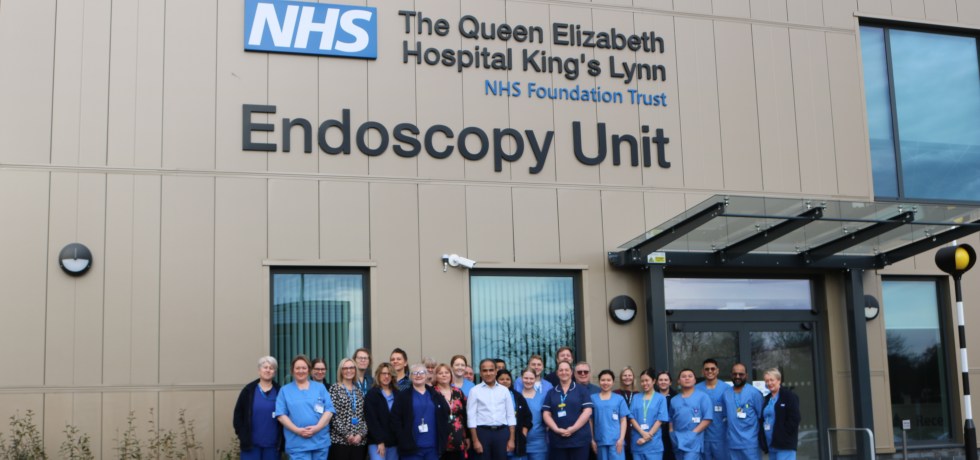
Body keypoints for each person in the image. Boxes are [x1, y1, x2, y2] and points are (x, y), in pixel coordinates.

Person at [275, 354, 335, 459]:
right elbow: (281, 415)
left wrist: (317, 428)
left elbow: (329, 411)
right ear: (292, 370)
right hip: (297, 443)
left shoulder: (320, 388)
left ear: (309, 370)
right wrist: (297, 430)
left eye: (304, 368)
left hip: (319, 441)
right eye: (297, 368)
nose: (301, 371)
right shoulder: (285, 390)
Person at [392, 364, 451, 460]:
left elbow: (445, 415)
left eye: (421, 372)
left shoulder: (436, 395)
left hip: (433, 448)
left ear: (427, 375)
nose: (418, 375)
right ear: (410, 377)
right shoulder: (403, 396)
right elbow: (395, 420)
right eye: (414, 373)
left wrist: (444, 437)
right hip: (410, 449)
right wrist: (402, 438)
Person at [233, 356, 284, 459]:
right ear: (259, 370)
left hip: (272, 447)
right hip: (251, 446)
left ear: (274, 372)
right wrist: (242, 435)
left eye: (271, 368)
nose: (268, 370)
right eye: (265, 367)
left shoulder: (280, 391)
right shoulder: (248, 390)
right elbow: (238, 414)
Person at [542, 361, 593, 460]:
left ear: (571, 372)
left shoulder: (582, 390)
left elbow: (587, 411)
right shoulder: (551, 392)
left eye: (566, 370)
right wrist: (556, 429)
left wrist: (573, 428)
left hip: (579, 439)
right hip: (558, 440)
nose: (563, 372)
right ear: (557, 373)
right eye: (561, 370)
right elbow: (546, 414)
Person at [467, 359, 517, 460]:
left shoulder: (504, 390)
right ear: (480, 373)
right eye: (485, 370)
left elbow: (510, 415)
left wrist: (512, 439)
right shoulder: (474, 391)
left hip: (501, 433)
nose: (488, 373)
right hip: (482, 433)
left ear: (496, 372)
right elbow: (471, 417)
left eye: (491, 370)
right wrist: (475, 440)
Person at [330, 358, 369, 460]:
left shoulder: (359, 392)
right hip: (340, 441)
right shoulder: (335, 389)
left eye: (351, 368)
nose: (349, 370)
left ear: (355, 370)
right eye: (345, 368)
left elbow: (365, 416)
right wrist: (347, 435)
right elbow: (333, 416)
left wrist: (361, 435)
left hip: (359, 442)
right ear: (341, 371)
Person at [668, 369, 711, 460]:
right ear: (679, 381)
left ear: (695, 380)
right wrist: (671, 433)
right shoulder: (674, 400)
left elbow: (707, 419)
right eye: (683, 376)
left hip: (693, 441)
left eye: (690, 376)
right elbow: (671, 419)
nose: (687, 378)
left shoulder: (703, 397)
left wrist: (693, 434)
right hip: (677, 440)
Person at [724, 363, 763, 460]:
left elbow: (762, 417)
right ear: (731, 375)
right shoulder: (725, 394)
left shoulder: (755, 393)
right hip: (732, 444)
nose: (737, 377)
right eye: (735, 374)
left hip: (750, 445)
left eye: (741, 374)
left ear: (746, 375)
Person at [628, 369, 669, 460]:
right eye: (642, 381)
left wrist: (646, 437)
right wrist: (642, 433)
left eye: (647, 380)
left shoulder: (661, 398)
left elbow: (660, 420)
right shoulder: (636, 397)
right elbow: (631, 417)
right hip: (637, 441)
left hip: (653, 443)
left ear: (654, 381)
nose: (644, 383)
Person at [693, 359, 730, 460]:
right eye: (707, 369)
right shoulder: (696, 389)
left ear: (717, 370)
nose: (710, 371)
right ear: (703, 371)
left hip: (721, 437)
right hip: (702, 437)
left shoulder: (727, 389)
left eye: (712, 369)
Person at [761, 368, 800, 460]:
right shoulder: (767, 398)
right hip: (771, 444)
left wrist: (784, 435)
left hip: (784, 445)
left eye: (772, 380)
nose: (769, 383)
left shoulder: (789, 396)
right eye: (767, 381)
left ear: (779, 380)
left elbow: (795, 418)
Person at [590, 370, 629, 460]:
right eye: (603, 380)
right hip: (600, 440)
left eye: (608, 380)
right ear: (599, 381)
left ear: (613, 382)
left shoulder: (619, 399)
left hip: (616, 441)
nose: (605, 382)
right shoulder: (593, 398)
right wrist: (592, 440)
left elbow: (623, 420)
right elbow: (590, 420)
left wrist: (621, 439)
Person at [433, 363, 469, 460]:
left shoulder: (458, 392)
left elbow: (465, 415)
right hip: (440, 440)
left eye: (446, 372)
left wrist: (468, 437)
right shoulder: (432, 393)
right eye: (440, 373)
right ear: (435, 376)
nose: (444, 375)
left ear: (451, 375)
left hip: (459, 439)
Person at [365, 363, 399, 460]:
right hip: (376, 442)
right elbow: (371, 420)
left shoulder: (398, 394)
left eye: (389, 374)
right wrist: (380, 441)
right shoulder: (372, 394)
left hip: (394, 442)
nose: (386, 376)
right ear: (378, 375)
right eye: (383, 373)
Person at [496, 369, 532, 460]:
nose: (505, 381)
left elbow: (527, 416)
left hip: (517, 440)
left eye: (508, 379)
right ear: (496, 380)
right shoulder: (491, 397)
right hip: (498, 437)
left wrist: (523, 433)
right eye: (501, 379)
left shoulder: (518, 396)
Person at [518, 368, 548, 460]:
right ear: (521, 378)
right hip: (519, 442)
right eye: (526, 378)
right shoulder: (516, 396)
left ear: (535, 379)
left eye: (531, 378)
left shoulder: (543, 397)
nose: (528, 381)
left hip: (538, 443)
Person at [614, 367, 636, 460]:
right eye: (625, 375)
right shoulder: (615, 394)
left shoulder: (638, 394)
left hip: (634, 430)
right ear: (621, 378)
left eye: (629, 375)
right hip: (620, 431)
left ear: (633, 377)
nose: (627, 377)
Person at [655, 372, 677, 460]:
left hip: (672, 432)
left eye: (666, 380)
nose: (663, 382)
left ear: (670, 382)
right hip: (656, 432)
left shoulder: (676, 396)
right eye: (660, 380)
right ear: (656, 382)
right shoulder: (652, 396)